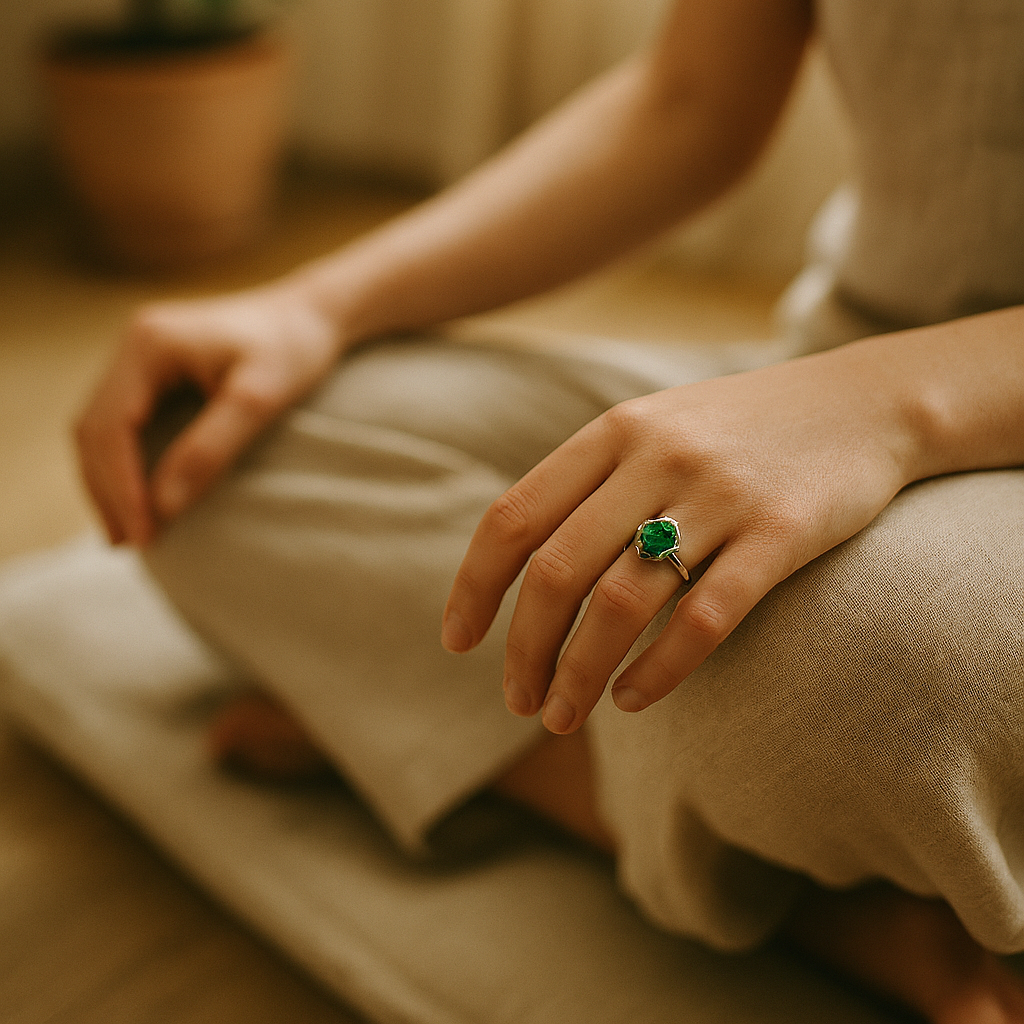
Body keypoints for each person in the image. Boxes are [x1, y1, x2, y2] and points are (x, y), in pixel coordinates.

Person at [75, 0, 1024, 1020]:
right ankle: (749, 860)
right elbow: (688, 101)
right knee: (197, 443)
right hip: (821, 362)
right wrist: (314, 306)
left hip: (921, 410)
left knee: (847, 663)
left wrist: (879, 408)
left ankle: (443, 734)